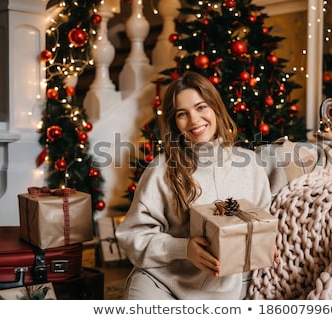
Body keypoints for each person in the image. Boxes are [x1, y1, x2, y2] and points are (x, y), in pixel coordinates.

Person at [115, 71, 272, 300]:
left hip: (225, 291)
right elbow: (133, 236)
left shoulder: (250, 167)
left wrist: (264, 242)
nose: (194, 120)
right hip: (162, 283)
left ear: (215, 108)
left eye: (201, 107)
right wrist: (184, 248)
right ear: (174, 123)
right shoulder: (161, 170)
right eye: (182, 114)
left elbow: (260, 223)